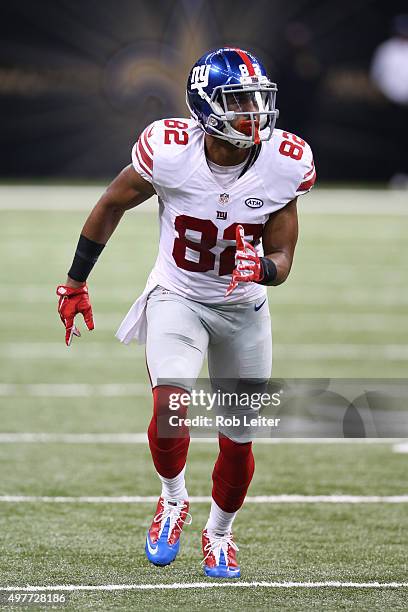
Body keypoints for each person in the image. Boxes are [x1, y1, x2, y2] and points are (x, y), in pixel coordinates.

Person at [56, 47, 316, 579]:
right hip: (179, 296)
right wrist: (76, 281)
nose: (254, 111)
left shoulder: (283, 161)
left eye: (257, 99)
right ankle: (172, 500)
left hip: (244, 309)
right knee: (170, 410)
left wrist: (262, 268)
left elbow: (284, 258)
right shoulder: (170, 151)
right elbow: (111, 202)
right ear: (205, 107)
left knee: (239, 437)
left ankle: (220, 533)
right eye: (239, 101)